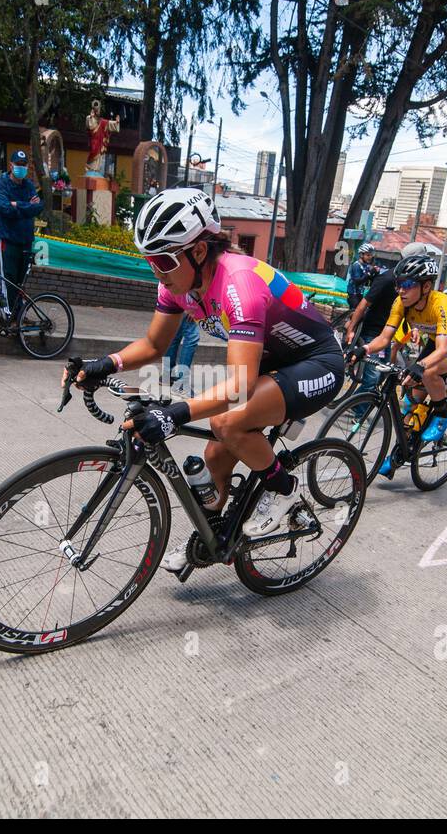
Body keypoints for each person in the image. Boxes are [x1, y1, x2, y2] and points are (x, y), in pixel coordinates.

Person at [66, 188, 344, 572]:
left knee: (227, 421)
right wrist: (105, 364)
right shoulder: (178, 284)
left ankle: (285, 490)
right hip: (271, 361)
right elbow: (153, 344)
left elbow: (240, 387)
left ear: (198, 251)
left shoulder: (239, 284)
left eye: (163, 260)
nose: (156, 272)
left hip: (317, 363)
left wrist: (173, 414)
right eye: (149, 260)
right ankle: (210, 536)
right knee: (215, 458)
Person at [352, 252, 447, 448]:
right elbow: (385, 338)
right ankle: (403, 450)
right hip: (435, 341)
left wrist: (419, 366)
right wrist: (363, 349)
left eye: (406, 285)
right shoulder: (400, 303)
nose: (400, 290)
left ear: (426, 286)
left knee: (428, 372)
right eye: (397, 284)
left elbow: (443, 350)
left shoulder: (442, 303)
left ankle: (441, 414)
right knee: (411, 402)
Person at [0, 150, 44, 320]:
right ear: (11, 165)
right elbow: (3, 208)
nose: (21, 168)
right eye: (18, 165)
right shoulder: (2, 183)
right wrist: (25, 206)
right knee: (9, 279)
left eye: (24, 165)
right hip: (8, 239)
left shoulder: (28, 185)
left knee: (20, 282)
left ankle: (19, 315)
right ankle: (9, 315)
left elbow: (38, 207)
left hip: (26, 240)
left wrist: (16, 205)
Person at [343, 256, 399, 409]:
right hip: (372, 332)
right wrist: (351, 329)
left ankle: (352, 404)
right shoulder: (386, 279)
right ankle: (358, 412)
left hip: (386, 335)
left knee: (381, 376)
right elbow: (363, 304)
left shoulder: (409, 285)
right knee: (372, 379)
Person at [163, 314, 200, 394]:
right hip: (187, 304)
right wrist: (191, 306)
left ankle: (167, 375)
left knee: (175, 334)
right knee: (192, 337)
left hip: (176, 304)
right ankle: (181, 383)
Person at [345, 243, 380, 310]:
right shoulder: (356, 265)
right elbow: (357, 282)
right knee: (355, 316)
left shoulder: (366, 266)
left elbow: (369, 280)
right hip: (353, 295)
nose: (370, 257)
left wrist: (375, 273)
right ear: (361, 255)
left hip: (360, 294)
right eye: (368, 255)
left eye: (371, 255)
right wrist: (370, 273)